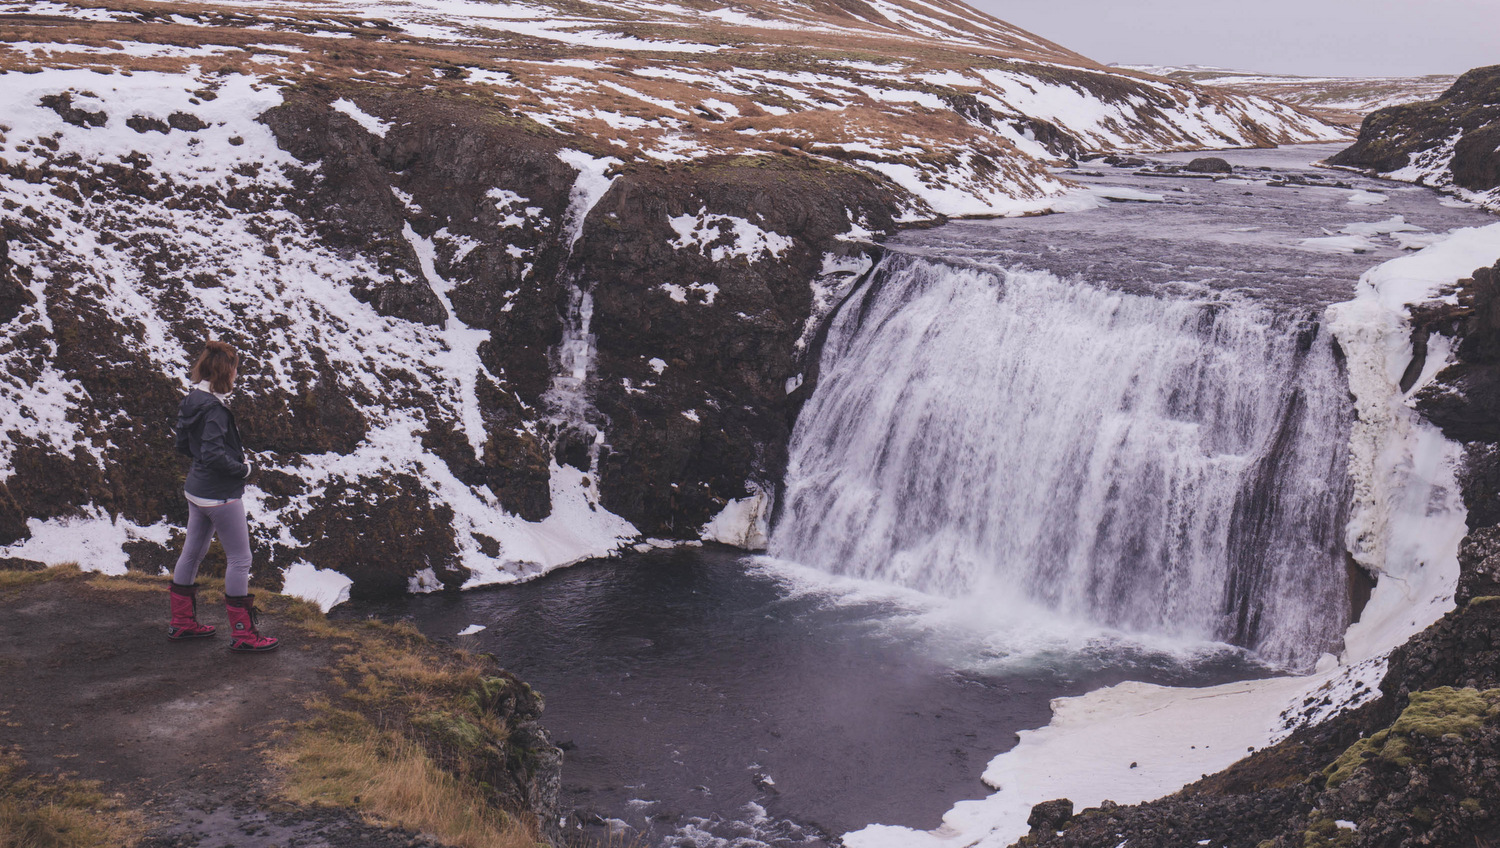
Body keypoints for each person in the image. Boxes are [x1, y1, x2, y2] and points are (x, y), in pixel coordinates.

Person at [167, 340, 278, 652]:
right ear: (225, 373)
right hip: (220, 495)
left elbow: (183, 445)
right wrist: (241, 470)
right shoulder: (216, 411)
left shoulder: (193, 399)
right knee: (241, 559)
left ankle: (182, 623)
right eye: (235, 370)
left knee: (192, 553)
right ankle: (244, 635)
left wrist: (204, 462)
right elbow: (215, 455)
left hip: (196, 489)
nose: (237, 375)